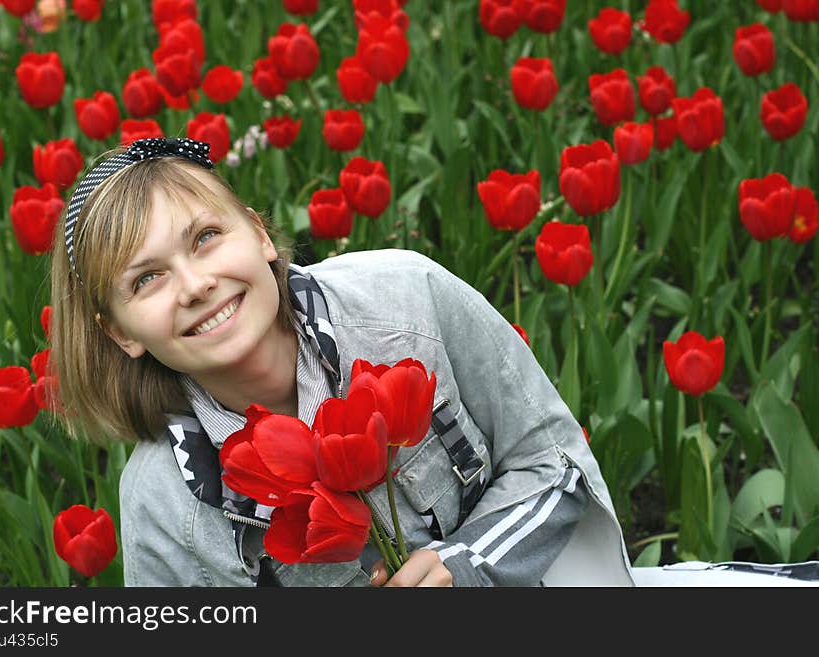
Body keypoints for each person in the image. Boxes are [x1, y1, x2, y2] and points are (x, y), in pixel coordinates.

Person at [49, 137, 635, 587]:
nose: (195, 284)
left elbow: (553, 463)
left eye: (205, 237)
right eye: (147, 279)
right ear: (119, 332)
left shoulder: (409, 301)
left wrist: (466, 563)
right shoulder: (164, 501)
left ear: (258, 234)